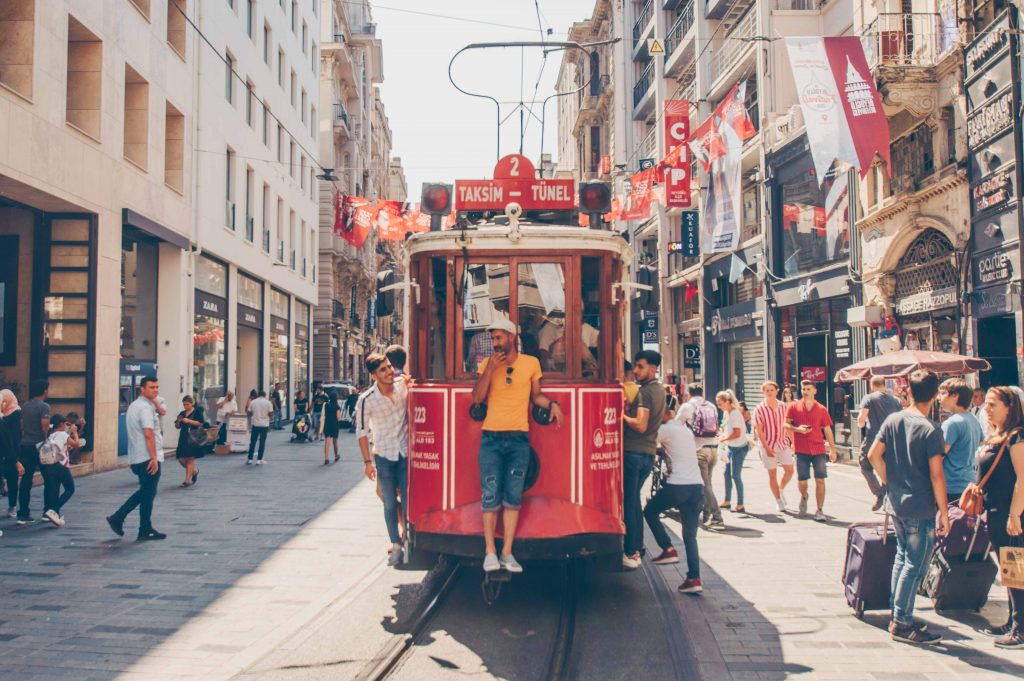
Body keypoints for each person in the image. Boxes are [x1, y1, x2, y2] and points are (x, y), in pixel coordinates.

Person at [471, 318, 563, 573]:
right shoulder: (487, 364)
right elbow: (477, 398)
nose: (495, 344)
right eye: (493, 339)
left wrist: (552, 404)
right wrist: (489, 370)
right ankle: (490, 551)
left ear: (512, 337)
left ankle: (507, 552)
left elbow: (536, 396)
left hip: (519, 438)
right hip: (491, 437)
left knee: (513, 497)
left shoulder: (531, 363)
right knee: (490, 495)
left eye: (499, 338)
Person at [867, 369, 949, 645]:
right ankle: (902, 622)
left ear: (908, 392)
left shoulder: (893, 419)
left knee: (903, 558)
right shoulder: (930, 429)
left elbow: (872, 455)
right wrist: (945, 512)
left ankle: (899, 613)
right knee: (915, 565)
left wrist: (890, 480)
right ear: (936, 395)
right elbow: (937, 475)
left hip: (896, 502)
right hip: (920, 505)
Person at [976, 386, 1024, 648]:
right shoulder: (999, 435)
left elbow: (1022, 478)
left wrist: (1015, 514)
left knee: (1016, 569)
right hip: (995, 511)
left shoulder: (1017, 437)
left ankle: (1020, 629)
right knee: (1010, 570)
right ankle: (1013, 620)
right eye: (987, 404)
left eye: (993, 404)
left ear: (1010, 407)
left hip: (1011, 514)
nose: (987, 408)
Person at [644, 394, 705, 593]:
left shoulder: (664, 429)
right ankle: (694, 579)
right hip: (697, 487)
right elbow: (674, 450)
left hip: (678, 486)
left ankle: (667, 548)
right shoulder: (683, 430)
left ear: (664, 413)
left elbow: (645, 441)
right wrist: (661, 452)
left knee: (650, 511)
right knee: (690, 536)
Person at [356, 354, 410, 566]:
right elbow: (361, 432)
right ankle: (396, 544)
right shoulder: (366, 400)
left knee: (407, 501)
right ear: (373, 376)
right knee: (388, 501)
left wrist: (406, 380)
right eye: (383, 370)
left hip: (405, 454)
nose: (389, 372)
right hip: (384, 456)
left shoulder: (402, 385)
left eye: (389, 367)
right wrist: (367, 463)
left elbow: (408, 381)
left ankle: (406, 539)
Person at [107, 376, 166, 541]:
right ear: (142, 389)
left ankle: (133, 523)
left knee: (147, 492)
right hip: (147, 457)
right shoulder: (145, 408)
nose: (155, 390)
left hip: (137, 457)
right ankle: (132, 523)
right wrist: (154, 458)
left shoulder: (135, 406)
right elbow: (149, 434)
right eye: (152, 387)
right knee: (148, 493)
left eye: (157, 387)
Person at [622, 350, 666, 569]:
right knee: (634, 502)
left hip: (633, 452)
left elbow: (640, 424)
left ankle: (631, 551)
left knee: (629, 503)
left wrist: (621, 415)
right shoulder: (659, 390)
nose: (636, 371)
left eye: (640, 366)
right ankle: (637, 547)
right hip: (647, 454)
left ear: (653, 368)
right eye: (635, 366)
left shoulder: (645, 393)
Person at [786, 380, 837, 521]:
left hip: (818, 448)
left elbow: (827, 430)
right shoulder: (794, 407)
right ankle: (804, 495)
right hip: (801, 449)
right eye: (803, 389)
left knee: (820, 480)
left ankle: (819, 510)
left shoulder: (821, 409)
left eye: (808, 389)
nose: (805, 391)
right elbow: (785, 424)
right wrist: (797, 429)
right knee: (802, 480)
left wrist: (832, 449)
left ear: (814, 391)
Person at [678, 384, 724, 529]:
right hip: (713, 449)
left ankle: (717, 517)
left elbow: (676, 426)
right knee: (707, 484)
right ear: (702, 392)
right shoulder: (711, 405)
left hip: (699, 450)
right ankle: (707, 516)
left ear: (689, 393)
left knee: (705, 486)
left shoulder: (687, 407)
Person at [857, 376, 903, 511]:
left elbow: (861, 419)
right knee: (887, 468)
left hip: (873, 439)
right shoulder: (896, 400)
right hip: (891, 440)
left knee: (865, 466)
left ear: (872, 385)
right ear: (884, 384)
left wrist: (862, 425)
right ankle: (887, 496)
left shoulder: (869, 398)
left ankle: (879, 493)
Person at [938, 378, 983, 503]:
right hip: (969, 482)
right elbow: (981, 442)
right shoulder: (973, 419)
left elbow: (939, 456)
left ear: (954, 396)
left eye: (942, 393)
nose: (938, 398)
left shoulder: (952, 423)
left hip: (952, 486)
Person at [754, 381, 794, 513]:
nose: (770, 392)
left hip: (782, 443)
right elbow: (759, 431)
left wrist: (793, 442)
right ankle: (778, 501)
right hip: (768, 444)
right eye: (767, 390)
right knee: (772, 474)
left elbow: (787, 426)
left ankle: (780, 489)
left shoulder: (783, 406)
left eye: (772, 390)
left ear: (777, 391)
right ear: (763, 392)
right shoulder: (759, 408)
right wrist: (767, 447)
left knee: (789, 470)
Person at [16, 380, 50, 525]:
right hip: (39, 445)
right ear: (44, 390)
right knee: (49, 478)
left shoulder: (25, 405)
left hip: (25, 444)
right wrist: (46, 440)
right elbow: (44, 427)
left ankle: (23, 512)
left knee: (26, 479)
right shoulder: (44, 407)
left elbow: (22, 424)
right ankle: (48, 510)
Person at [39, 413, 79, 527]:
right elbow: (76, 444)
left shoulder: (51, 435)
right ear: (61, 424)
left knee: (55, 490)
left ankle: (54, 514)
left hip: (50, 466)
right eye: (66, 424)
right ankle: (53, 510)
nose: (67, 426)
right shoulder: (62, 434)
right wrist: (75, 432)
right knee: (70, 489)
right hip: (61, 466)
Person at [717, 391, 748, 513]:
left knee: (735, 475)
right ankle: (727, 501)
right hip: (731, 447)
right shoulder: (727, 413)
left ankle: (740, 504)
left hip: (739, 448)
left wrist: (723, 438)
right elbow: (726, 428)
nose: (719, 406)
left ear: (728, 402)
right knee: (726, 474)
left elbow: (736, 433)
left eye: (720, 404)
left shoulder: (735, 414)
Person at [174, 395, 206, 487]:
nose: (185, 406)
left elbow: (200, 423)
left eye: (187, 404)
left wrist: (188, 421)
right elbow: (177, 427)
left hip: (193, 437)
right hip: (183, 437)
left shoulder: (197, 412)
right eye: (184, 404)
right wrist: (178, 421)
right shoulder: (182, 413)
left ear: (192, 403)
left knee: (190, 458)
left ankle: (187, 480)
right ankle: (194, 471)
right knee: (180, 458)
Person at [1, 389, 23, 519]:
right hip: (7, 449)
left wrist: (15, 457)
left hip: (11, 450)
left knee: (12, 477)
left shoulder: (15, 413)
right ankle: (12, 506)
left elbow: (14, 437)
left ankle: (12, 505)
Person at [247, 390, 273, 464]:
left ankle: (250, 459)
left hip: (255, 424)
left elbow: (248, 413)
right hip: (264, 425)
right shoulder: (268, 403)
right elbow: (271, 414)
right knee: (262, 442)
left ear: (258, 395)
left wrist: (254, 414)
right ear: (265, 395)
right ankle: (259, 459)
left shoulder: (253, 402)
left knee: (252, 442)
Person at [322, 390, 342, 464]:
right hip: (334, 425)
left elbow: (324, 415)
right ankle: (336, 455)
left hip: (327, 424)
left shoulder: (326, 405)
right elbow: (338, 417)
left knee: (327, 442)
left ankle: (326, 458)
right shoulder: (337, 406)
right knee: (335, 442)